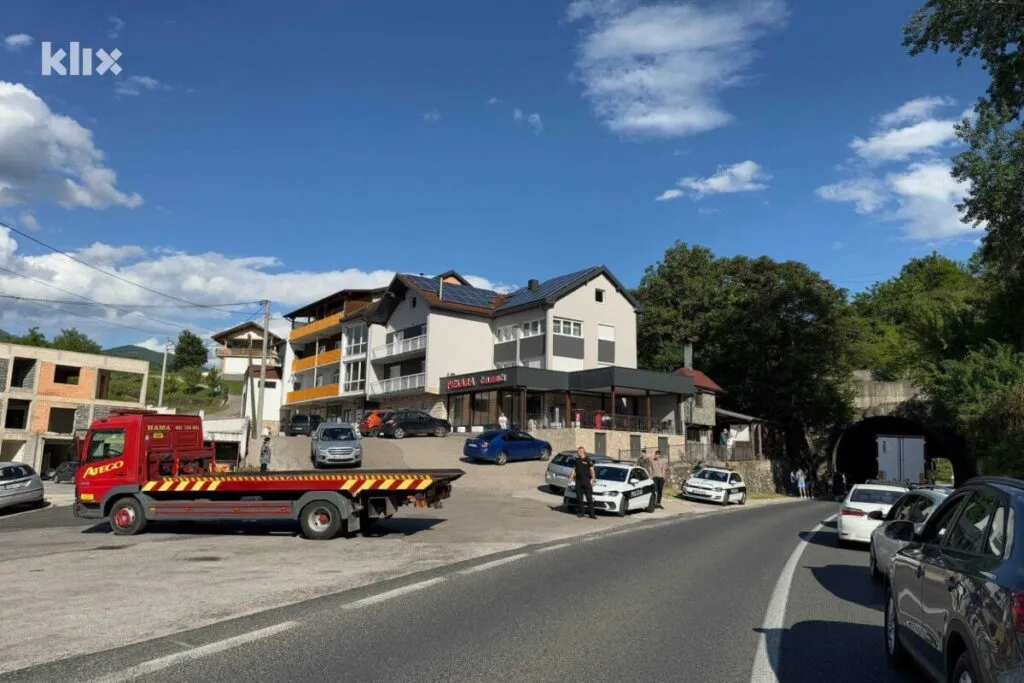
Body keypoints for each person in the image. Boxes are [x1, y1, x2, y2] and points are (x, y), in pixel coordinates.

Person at [568, 446, 596, 519]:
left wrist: (593, 480)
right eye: (577, 452)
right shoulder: (577, 460)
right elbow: (574, 470)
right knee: (579, 498)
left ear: (582, 452)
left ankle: (592, 514)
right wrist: (571, 477)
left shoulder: (588, 460)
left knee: (589, 498)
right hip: (578, 481)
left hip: (586, 480)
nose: (577, 453)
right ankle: (582, 513)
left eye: (578, 452)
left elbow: (592, 470)